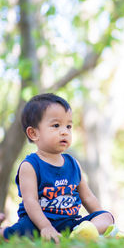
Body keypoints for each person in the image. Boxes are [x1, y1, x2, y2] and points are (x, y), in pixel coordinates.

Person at [0, 93, 114, 243]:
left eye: (69, 126)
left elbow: (88, 197)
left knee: (107, 217)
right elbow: (30, 202)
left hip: (70, 222)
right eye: (56, 125)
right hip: (37, 222)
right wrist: (46, 227)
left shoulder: (73, 164)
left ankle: (83, 233)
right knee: (21, 232)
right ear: (34, 133)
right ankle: (3, 232)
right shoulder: (30, 166)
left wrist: (99, 218)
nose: (65, 131)